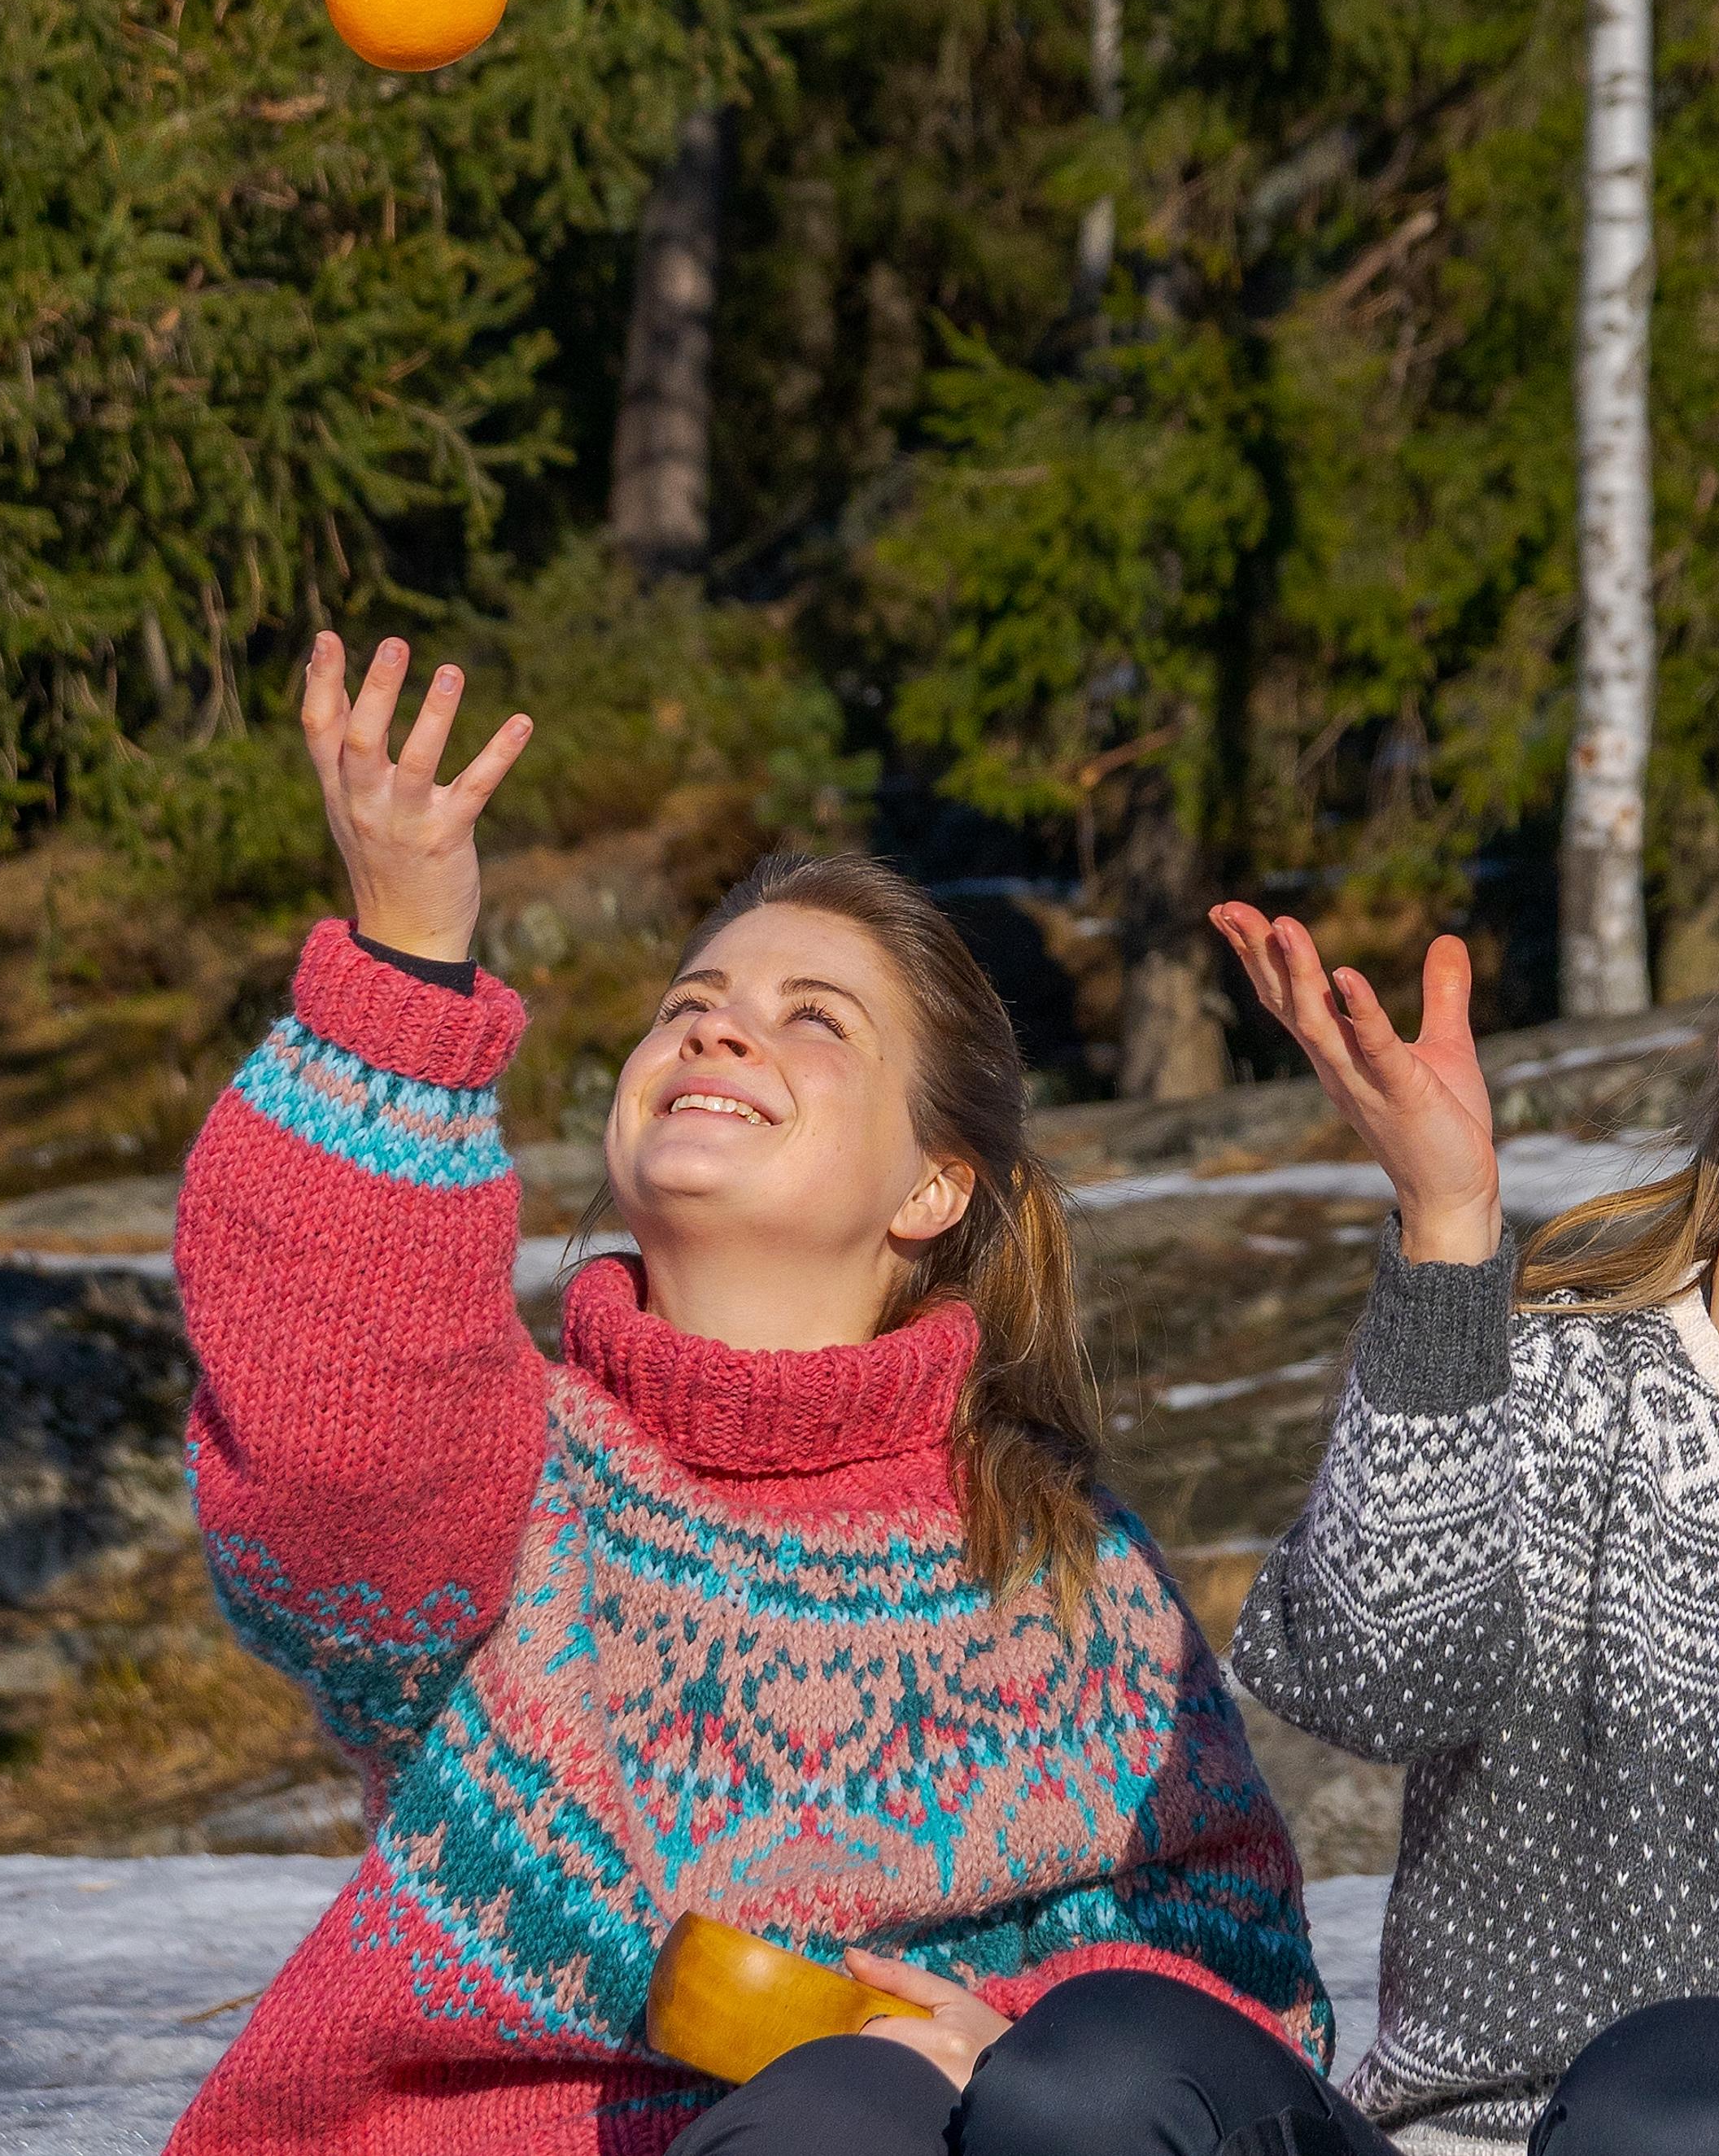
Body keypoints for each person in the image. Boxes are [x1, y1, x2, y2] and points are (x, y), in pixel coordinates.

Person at [169, 635, 1325, 2156]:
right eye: (691, 1001)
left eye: (814, 1017)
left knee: (1050, 2081)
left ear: (934, 1183)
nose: (716, 1026)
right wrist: (404, 959)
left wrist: (989, 2040)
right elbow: (333, 1461)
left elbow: (1236, 1981)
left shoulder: (1054, 1549)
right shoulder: (513, 1488)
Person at [928, 798, 1719, 2156]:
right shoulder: (1547, 1376)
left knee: (1670, 2102)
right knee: (1094, 2068)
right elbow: (1369, 1679)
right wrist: (1444, 1229)